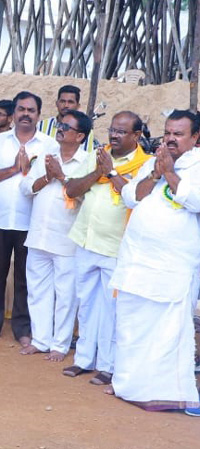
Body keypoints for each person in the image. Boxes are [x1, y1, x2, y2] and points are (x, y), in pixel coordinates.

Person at [110, 110, 200, 415]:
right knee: (132, 325)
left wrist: (171, 173)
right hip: (137, 262)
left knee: (166, 331)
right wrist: (156, 173)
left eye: (178, 134)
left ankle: (166, 394)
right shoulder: (154, 161)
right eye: (168, 132)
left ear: (196, 137)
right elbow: (131, 197)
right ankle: (128, 385)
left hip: (172, 266)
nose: (170, 139)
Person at [61, 111, 149, 381]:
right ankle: (84, 359)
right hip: (87, 241)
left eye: (122, 131)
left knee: (112, 310)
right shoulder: (98, 155)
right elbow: (72, 189)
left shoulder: (145, 165)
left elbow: (136, 199)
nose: (114, 135)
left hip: (116, 249)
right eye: (112, 129)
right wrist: (98, 171)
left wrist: (109, 172)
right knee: (86, 304)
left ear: (136, 136)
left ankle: (107, 366)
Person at [0, 91, 58, 343]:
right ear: (14, 113)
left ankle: (22, 329)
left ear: (38, 115)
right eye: (21, 109)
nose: (25, 114)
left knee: (25, 277)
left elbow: (51, 180)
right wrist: (14, 169)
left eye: (30, 110)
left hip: (30, 221)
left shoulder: (49, 145)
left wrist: (29, 174)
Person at [19, 109, 89, 361]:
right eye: (60, 125)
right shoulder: (46, 157)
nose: (60, 129)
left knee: (65, 294)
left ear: (80, 136)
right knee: (38, 291)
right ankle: (40, 340)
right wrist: (46, 177)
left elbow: (83, 196)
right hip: (39, 235)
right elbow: (26, 187)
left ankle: (60, 344)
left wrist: (61, 176)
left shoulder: (87, 162)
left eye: (67, 127)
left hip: (66, 239)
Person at [38, 84, 93, 150]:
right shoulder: (41, 126)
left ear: (78, 106)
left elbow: (87, 154)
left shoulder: (85, 131)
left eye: (70, 102)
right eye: (62, 101)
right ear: (57, 103)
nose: (66, 105)